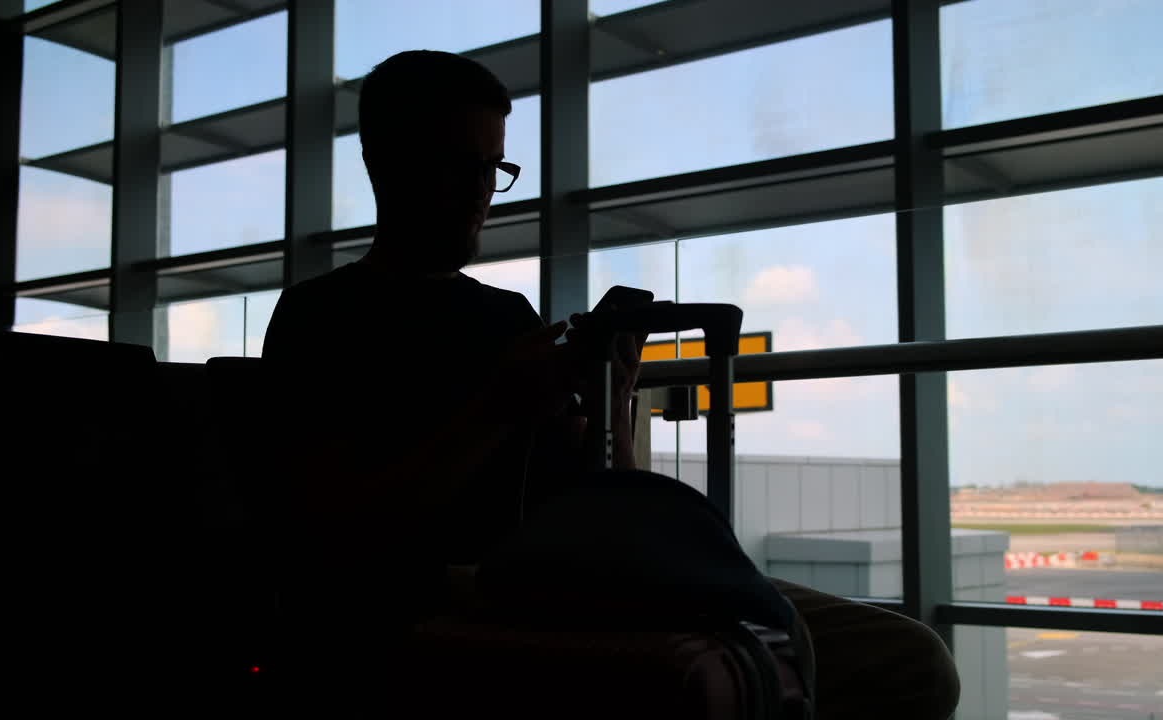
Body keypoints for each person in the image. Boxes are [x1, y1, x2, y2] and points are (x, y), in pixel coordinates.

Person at [262, 50, 959, 719]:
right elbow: (335, 532)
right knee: (793, 651)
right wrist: (498, 410)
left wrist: (613, 405)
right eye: (457, 165)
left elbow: (605, 495)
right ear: (387, 163)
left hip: (570, 575)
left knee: (914, 661)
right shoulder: (321, 319)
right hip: (449, 593)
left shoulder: (507, 317)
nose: (481, 190)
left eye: (492, 167)